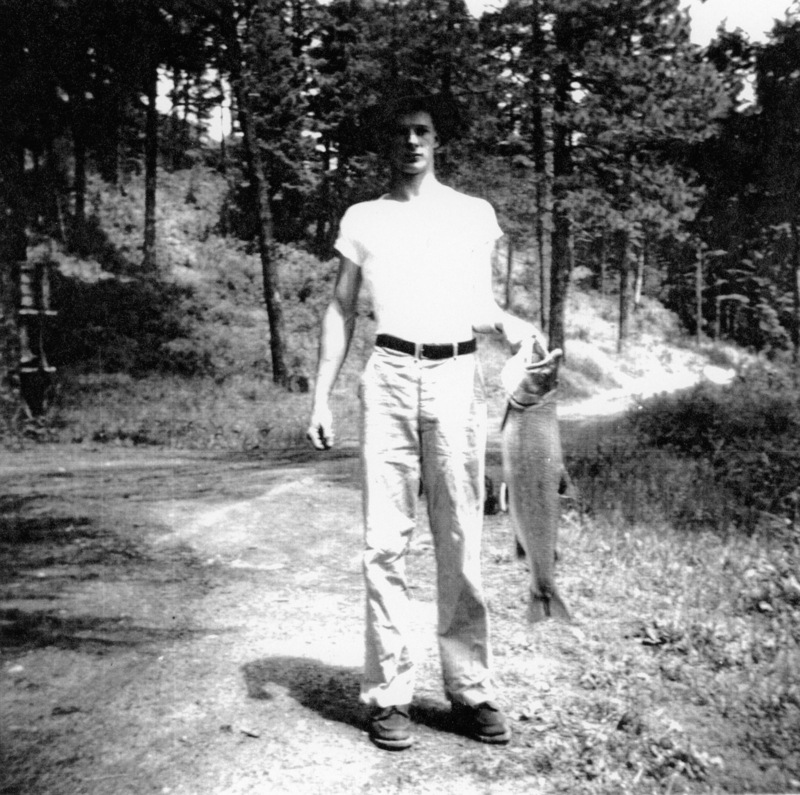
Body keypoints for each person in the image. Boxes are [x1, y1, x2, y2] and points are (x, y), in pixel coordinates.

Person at [306, 88, 544, 751]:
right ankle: (388, 696)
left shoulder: (473, 215)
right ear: (387, 142)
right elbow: (340, 309)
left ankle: (470, 690)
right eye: (400, 132)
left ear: (438, 141)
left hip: (455, 376)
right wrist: (322, 395)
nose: (411, 141)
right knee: (385, 542)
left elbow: (480, 304)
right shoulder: (363, 218)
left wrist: (513, 323)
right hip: (386, 375)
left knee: (460, 535)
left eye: (423, 131)